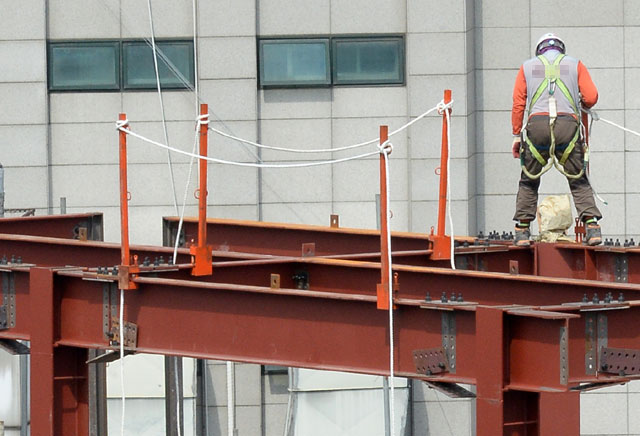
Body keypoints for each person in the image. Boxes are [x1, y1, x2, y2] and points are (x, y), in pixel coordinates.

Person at [511, 33, 602, 246]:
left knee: (529, 179)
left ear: (539, 50)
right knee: (578, 178)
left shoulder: (527, 67)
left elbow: (518, 104)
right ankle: (592, 226)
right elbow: (591, 97)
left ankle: (522, 230)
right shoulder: (574, 64)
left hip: (537, 126)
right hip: (567, 125)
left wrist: (516, 135)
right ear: (561, 49)